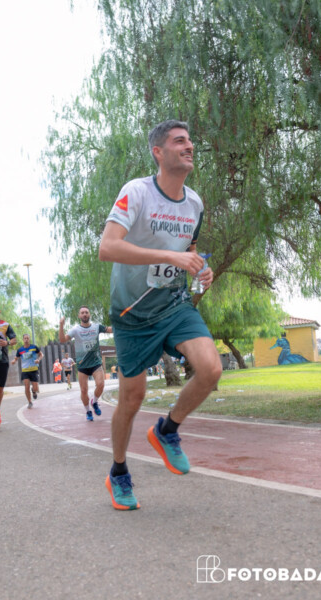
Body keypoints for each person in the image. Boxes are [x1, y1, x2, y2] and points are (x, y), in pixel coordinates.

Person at [98, 119, 222, 510]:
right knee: (132, 398)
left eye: (190, 141)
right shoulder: (136, 192)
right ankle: (119, 472)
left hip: (174, 304)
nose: (189, 146)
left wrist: (201, 268)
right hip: (132, 313)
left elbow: (190, 250)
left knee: (211, 369)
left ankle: (167, 430)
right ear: (158, 152)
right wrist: (170, 256)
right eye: (179, 141)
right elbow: (107, 247)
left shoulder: (195, 204)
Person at [59, 307, 113, 421]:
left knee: (101, 384)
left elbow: (110, 330)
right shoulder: (75, 330)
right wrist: (61, 326)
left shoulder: (96, 327)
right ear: (79, 316)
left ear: (89, 315)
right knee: (84, 390)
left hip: (96, 362)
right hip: (82, 365)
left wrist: (122, 324)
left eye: (86, 312)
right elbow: (62, 339)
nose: (84, 314)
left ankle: (94, 401)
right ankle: (88, 411)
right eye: (82, 313)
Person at [11, 334, 44, 408]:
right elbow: (16, 358)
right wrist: (14, 361)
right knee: (26, 387)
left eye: (27, 338)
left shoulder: (34, 347)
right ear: (23, 339)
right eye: (25, 338)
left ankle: (34, 391)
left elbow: (41, 354)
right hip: (25, 371)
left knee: (36, 388)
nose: (26, 339)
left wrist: (38, 359)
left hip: (34, 370)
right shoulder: (20, 350)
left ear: (29, 339)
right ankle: (29, 402)